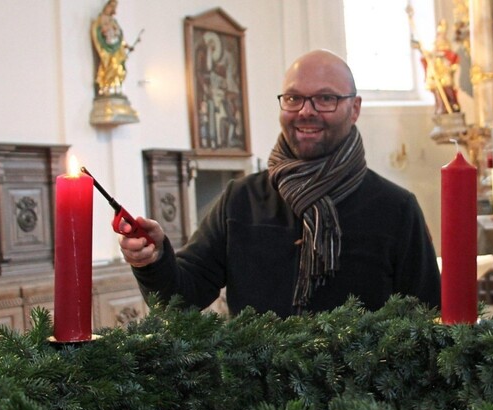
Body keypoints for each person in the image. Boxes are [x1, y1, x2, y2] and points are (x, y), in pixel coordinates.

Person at [120, 49, 440, 317]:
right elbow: (181, 301)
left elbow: (428, 317)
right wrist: (154, 259)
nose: (305, 111)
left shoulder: (395, 209)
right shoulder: (240, 199)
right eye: (293, 98)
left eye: (325, 98)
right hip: (255, 391)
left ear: (354, 109)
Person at [91, 0, 140, 96]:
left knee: (120, 68)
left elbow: (120, 38)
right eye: (111, 6)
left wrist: (127, 46)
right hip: (108, 48)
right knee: (111, 66)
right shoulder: (100, 19)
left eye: (114, 7)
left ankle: (115, 86)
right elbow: (99, 33)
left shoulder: (113, 21)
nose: (111, 9)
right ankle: (107, 86)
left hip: (116, 48)